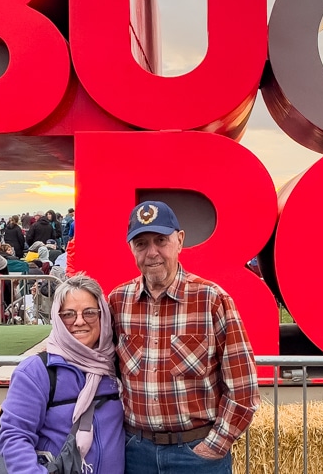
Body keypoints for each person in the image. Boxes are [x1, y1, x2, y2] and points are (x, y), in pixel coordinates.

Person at [109, 201, 258, 473]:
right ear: (131, 248)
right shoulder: (118, 302)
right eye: (141, 244)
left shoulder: (211, 300)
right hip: (135, 454)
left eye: (160, 241)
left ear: (179, 241)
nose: (152, 252)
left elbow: (243, 388)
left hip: (195, 454)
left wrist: (215, 444)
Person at [0, 274, 123, 474]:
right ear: (57, 317)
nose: (80, 321)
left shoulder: (115, 366)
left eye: (89, 312)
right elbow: (14, 437)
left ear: (103, 316)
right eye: (69, 314)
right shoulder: (37, 372)